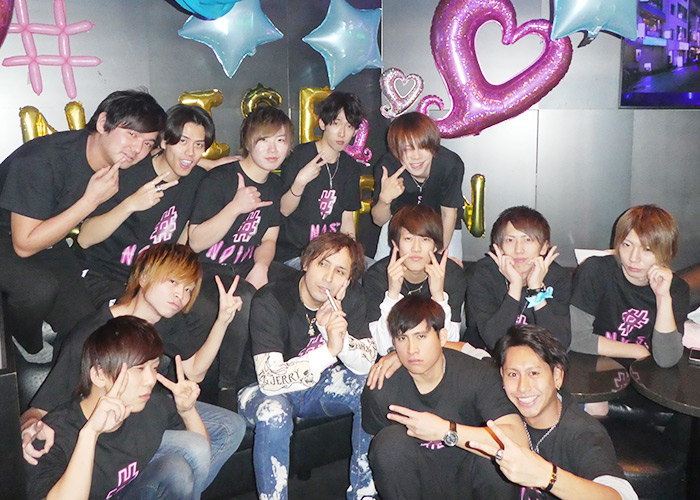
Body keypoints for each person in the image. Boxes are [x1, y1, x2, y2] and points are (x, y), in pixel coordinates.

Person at [20, 243, 245, 496]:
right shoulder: (95, 336)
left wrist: (222, 320)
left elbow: (193, 371)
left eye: (188, 289)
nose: (180, 295)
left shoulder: (166, 320)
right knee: (191, 451)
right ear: (144, 277)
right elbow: (41, 408)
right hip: (105, 428)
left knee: (231, 427)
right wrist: (29, 428)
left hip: (144, 413)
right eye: (173, 282)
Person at [0, 90, 166, 359]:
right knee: (38, 289)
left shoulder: (121, 157)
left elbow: (168, 156)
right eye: (131, 134)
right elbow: (24, 245)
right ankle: (24, 340)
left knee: (86, 330)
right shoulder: (42, 161)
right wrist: (91, 200)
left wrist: (212, 162)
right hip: (10, 234)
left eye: (147, 142)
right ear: (103, 123)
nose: (137, 149)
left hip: (49, 236)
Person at [238, 232, 377, 500]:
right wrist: (329, 350)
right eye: (322, 264)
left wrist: (339, 338)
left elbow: (365, 363)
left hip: (315, 386)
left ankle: (363, 494)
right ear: (306, 263)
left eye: (340, 271)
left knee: (372, 387)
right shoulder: (272, 299)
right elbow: (269, 380)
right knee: (274, 412)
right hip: (260, 389)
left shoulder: (351, 297)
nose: (328, 277)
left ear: (348, 279)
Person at [361, 295, 528, 500]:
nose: (412, 350)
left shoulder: (477, 375)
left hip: (470, 480)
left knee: (494, 456)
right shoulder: (380, 387)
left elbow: (518, 441)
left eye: (421, 336)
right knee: (388, 445)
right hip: (418, 485)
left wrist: (446, 431)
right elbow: (380, 457)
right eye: (402, 339)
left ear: (442, 337)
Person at [27, 316, 207, 500]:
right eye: (139, 369)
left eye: (154, 368)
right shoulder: (52, 435)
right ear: (99, 375)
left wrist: (187, 411)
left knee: (178, 469)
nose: (150, 380)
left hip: (131, 491)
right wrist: (90, 434)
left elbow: (202, 454)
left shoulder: (150, 406)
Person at [187, 105, 293, 403]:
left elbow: (269, 238)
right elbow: (195, 242)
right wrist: (235, 207)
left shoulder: (274, 184)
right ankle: (227, 388)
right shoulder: (220, 180)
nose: (273, 149)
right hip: (206, 268)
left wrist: (261, 266)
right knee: (243, 298)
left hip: (245, 264)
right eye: (264, 140)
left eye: (281, 141)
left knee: (295, 284)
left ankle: (281, 372)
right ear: (248, 141)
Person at [469, 324, 638, 500]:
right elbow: (472, 354)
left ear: (557, 376)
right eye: (513, 374)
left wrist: (547, 476)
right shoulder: (504, 404)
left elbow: (623, 496)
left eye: (534, 373)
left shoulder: (582, 433)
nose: (522, 387)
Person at [76, 103, 215, 307]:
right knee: (132, 318)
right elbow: (84, 238)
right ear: (164, 141)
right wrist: (131, 204)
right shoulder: (128, 174)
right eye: (183, 141)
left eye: (199, 145)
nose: (190, 153)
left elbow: (183, 239)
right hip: (103, 273)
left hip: (152, 281)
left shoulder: (198, 181)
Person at [569, 205, 689, 368]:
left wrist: (663, 298)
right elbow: (575, 337)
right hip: (593, 366)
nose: (633, 258)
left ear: (665, 252)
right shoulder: (596, 271)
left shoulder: (676, 289)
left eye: (647, 249)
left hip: (645, 374)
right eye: (627, 245)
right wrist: (637, 351)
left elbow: (667, 359)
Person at [364, 204, 471, 356]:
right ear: (395, 244)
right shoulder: (376, 276)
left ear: (435, 246)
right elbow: (382, 348)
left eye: (425, 239)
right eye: (408, 239)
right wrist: (392, 295)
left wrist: (439, 296)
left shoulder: (451, 275)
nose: (416, 248)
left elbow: (449, 343)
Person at [465, 206, 571, 351]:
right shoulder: (482, 274)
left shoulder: (558, 277)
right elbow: (494, 341)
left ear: (544, 247)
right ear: (499, 247)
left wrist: (536, 290)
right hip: (487, 356)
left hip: (538, 357)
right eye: (510, 240)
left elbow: (559, 345)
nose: (519, 249)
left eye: (528, 240)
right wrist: (515, 286)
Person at [277, 91, 364, 266]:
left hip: (332, 254)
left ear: (355, 131)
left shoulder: (350, 166)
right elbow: (284, 210)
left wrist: (350, 256)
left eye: (349, 126)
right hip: (296, 254)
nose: (342, 133)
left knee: (367, 273)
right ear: (322, 123)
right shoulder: (299, 157)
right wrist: (300, 182)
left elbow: (347, 218)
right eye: (336, 123)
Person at [370, 112, 464, 261]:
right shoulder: (387, 167)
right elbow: (379, 221)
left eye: (422, 147)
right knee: (382, 269)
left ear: (433, 146)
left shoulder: (450, 164)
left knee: (450, 269)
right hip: (400, 225)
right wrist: (384, 200)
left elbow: (449, 214)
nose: (416, 157)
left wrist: (438, 253)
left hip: (440, 224)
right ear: (395, 150)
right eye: (407, 149)